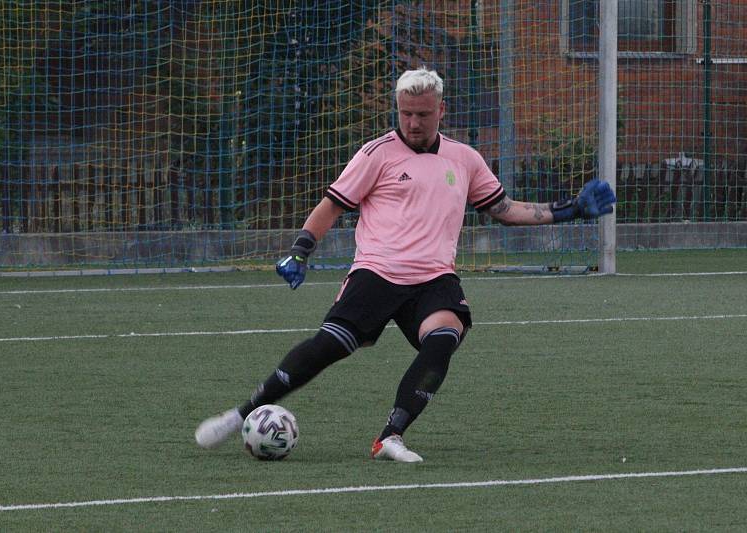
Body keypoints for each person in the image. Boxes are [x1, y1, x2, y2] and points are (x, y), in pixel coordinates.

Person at [195, 66, 615, 462]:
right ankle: (242, 414)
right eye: (406, 113)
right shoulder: (376, 153)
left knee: (445, 336)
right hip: (376, 273)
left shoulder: (464, 158)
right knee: (327, 348)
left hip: (434, 278)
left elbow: (503, 208)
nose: (413, 123)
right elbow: (332, 206)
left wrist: (569, 209)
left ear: (441, 110)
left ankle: (390, 436)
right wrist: (301, 250)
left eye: (423, 114)